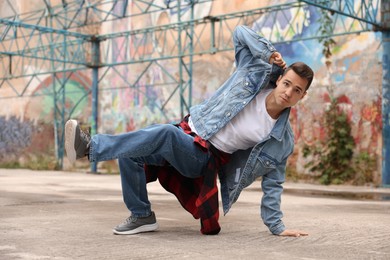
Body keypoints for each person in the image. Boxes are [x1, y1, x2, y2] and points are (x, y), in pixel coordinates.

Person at [65, 25, 313, 237]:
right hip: (187, 130)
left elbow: (274, 183)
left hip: (204, 156)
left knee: (165, 134)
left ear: (302, 97)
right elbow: (240, 33)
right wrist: (268, 53)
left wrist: (277, 226)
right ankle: (142, 215)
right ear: (280, 79)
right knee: (132, 153)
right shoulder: (253, 72)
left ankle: (90, 147)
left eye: (297, 91)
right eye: (288, 84)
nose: (289, 93)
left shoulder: (281, 140)